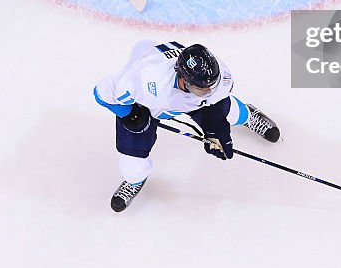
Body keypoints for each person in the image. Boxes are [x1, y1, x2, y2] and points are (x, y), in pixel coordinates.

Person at [93, 41, 280, 212]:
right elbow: (101, 93)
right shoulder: (143, 81)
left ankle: (249, 114)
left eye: (211, 87)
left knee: (228, 111)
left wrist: (215, 131)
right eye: (201, 89)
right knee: (132, 162)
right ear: (181, 77)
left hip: (180, 98)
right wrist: (131, 115)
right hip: (146, 106)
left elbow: (215, 100)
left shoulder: (218, 77)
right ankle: (135, 180)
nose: (207, 92)